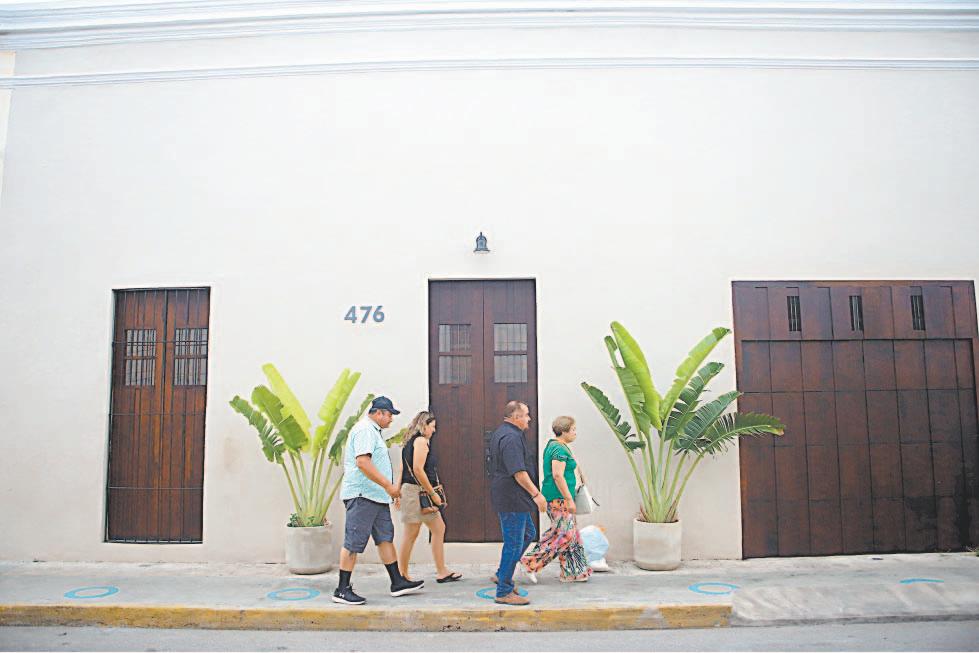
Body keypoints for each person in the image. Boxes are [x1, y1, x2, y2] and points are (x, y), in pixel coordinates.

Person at [332, 396, 424, 605]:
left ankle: (397, 582)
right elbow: (363, 462)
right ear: (379, 413)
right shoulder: (365, 430)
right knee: (353, 542)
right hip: (363, 496)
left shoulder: (373, 432)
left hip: (376, 497)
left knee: (384, 538)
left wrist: (387, 492)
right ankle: (342, 589)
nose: (391, 419)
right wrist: (388, 486)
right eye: (390, 414)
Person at [520, 416, 592, 583]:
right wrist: (569, 499)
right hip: (558, 498)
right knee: (563, 533)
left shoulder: (558, 446)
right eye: (573, 429)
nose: (575, 433)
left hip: (560, 497)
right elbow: (558, 475)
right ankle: (529, 563)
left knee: (571, 535)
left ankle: (573, 572)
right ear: (564, 431)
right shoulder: (558, 449)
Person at [489, 400, 547, 606]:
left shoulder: (504, 432)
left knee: (528, 533)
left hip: (513, 497)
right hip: (512, 498)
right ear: (516, 417)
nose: (529, 419)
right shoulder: (511, 438)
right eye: (526, 415)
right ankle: (503, 590)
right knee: (513, 543)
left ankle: (501, 574)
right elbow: (518, 472)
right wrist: (536, 495)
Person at [394, 410, 462, 583]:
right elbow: (418, 469)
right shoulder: (421, 441)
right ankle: (402, 575)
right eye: (432, 426)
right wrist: (433, 493)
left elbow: (402, 469)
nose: (434, 430)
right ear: (424, 425)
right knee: (411, 534)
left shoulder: (409, 441)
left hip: (413, 491)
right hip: (416, 492)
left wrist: (397, 491)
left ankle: (441, 571)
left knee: (438, 528)